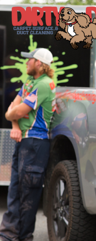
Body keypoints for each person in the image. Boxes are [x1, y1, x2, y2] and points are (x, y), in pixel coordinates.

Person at [0, 48, 56, 241]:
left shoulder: (45, 85)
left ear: (39, 64)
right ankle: (8, 235)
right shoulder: (30, 82)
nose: (26, 63)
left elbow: (16, 110)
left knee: (28, 194)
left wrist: (12, 116)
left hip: (35, 144)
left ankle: (23, 237)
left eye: (29, 60)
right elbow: (11, 109)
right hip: (23, 141)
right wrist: (14, 124)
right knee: (15, 189)